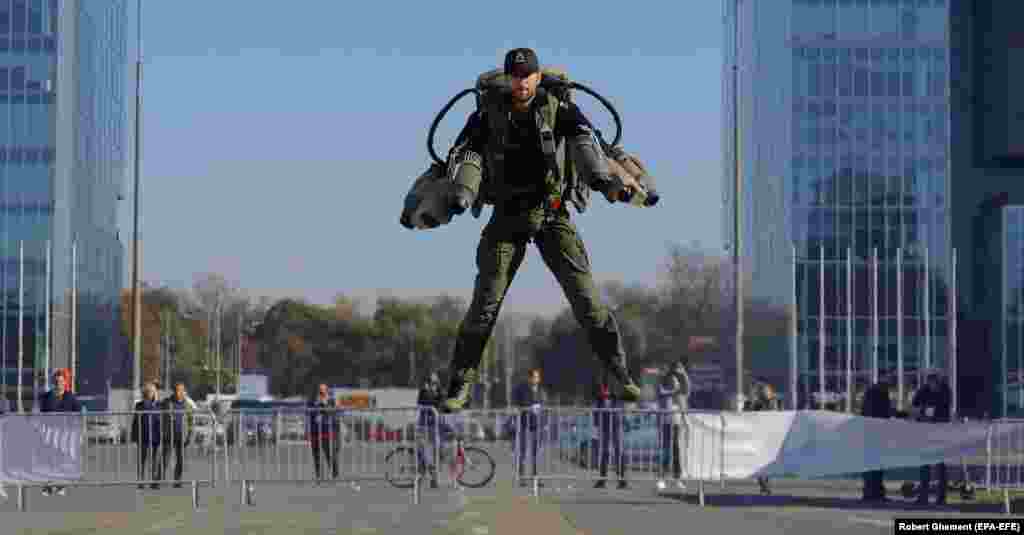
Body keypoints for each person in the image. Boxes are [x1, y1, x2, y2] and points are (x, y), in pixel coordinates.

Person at [439, 47, 642, 412]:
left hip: (552, 215)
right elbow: (462, 153)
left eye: (528, 75)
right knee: (484, 305)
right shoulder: (487, 114)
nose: (522, 82)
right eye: (516, 75)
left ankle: (618, 371)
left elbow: (586, 142)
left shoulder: (558, 109)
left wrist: (606, 182)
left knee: (587, 302)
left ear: (536, 76)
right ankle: (460, 383)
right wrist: (460, 194)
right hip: (506, 217)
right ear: (508, 78)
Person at [38, 370, 82, 497]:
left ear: (65, 382)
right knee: (48, 460)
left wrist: (78, 430)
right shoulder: (46, 397)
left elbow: (79, 412)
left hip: (64, 433)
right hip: (49, 432)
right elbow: (39, 413)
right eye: (56, 381)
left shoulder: (70, 397)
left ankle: (61, 485)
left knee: (62, 460)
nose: (59, 384)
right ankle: (48, 485)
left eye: (61, 381)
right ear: (53, 382)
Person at [911, 371, 952, 506]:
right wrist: (920, 412)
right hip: (926, 432)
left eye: (934, 382)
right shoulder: (923, 390)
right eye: (930, 382)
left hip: (941, 432)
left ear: (938, 381)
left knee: (940, 465)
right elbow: (914, 405)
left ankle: (941, 497)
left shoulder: (945, 391)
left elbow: (944, 410)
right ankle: (923, 496)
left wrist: (928, 413)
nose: (932, 385)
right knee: (925, 465)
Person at [655, 360, 690, 491]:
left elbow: (686, 390)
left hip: (675, 422)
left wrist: (684, 374)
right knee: (665, 451)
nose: (675, 381)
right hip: (664, 421)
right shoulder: (662, 382)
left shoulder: (677, 385)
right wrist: (673, 390)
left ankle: (677, 478)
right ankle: (661, 478)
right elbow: (661, 392)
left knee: (676, 450)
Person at [861, 372, 894, 502]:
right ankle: (874, 493)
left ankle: (873, 492)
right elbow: (882, 412)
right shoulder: (879, 392)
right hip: (875, 432)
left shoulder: (874, 391)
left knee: (873, 464)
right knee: (875, 464)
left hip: (871, 432)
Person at [513, 368, 547, 486]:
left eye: (538, 377)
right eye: (535, 377)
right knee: (522, 451)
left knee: (536, 452)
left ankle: (535, 478)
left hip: (537, 424)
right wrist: (530, 407)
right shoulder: (522, 388)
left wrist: (544, 420)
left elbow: (544, 405)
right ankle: (522, 478)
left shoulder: (541, 391)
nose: (537, 379)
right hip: (524, 423)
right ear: (530, 378)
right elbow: (519, 402)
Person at [592, 378, 628, 489]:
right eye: (602, 389)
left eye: (605, 389)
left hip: (616, 426)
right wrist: (597, 426)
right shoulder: (600, 398)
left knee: (619, 451)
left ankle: (621, 480)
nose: (603, 391)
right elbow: (596, 412)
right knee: (605, 452)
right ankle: (602, 480)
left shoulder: (616, 396)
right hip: (605, 427)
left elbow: (620, 409)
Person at [746, 384, 780, 495]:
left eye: (766, 391)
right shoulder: (753, 402)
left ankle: (765, 485)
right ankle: (764, 485)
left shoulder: (772, 402)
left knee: (765, 463)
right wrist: (751, 403)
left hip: (768, 437)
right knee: (758, 463)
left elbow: (772, 413)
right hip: (756, 436)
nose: (763, 392)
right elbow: (745, 413)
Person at [161, 382, 194, 489]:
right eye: (176, 390)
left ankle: (177, 481)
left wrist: (190, 434)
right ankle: (157, 481)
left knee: (181, 460)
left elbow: (191, 421)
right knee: (165, 459)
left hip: (182, 436)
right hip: (168, 435)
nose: (178, 392)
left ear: (184, 391)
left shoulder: (187, 404)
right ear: (173, 391)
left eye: (180, 390)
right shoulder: (167, 402)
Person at [131, 382, 163, 490]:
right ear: (144, 393)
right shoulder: (139, 405)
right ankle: (141, 481)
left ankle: (154, 481)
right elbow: (135, 421)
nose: (150, 393)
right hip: (143, 436)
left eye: (152, 392)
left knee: (155, 460)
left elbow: (162, 421)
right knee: (142, 460)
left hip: (156, 437)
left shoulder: (159, 405)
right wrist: (134, 437)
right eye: (148, 392)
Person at [416, 372, 444, 489]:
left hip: (434, 426)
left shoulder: (438, 392)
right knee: (424, 453)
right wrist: (430, 392)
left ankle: (426, 477)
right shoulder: (423, 391)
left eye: (436, 381)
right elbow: (424, 402)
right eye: (432, 381)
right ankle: (431, 477)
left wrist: (436, 393)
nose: (434, 383)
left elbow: (439, 404)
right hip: (423, 426)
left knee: (436, 452)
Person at [307, 383, 338, 482]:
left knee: (329, 452)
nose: (322, 392)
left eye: (324, 390)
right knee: (316, 454)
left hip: (326, 430)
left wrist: (324, 403)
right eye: (320, 391)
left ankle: (334, 473)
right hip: (315, 430)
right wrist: (317, 404)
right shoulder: (312, 400)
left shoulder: (331, 400)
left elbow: (332, 412)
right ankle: (318, 475)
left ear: (327, 391)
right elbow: (308, 411)